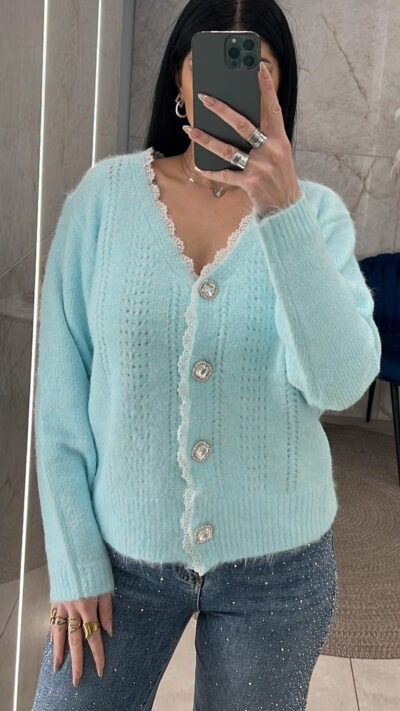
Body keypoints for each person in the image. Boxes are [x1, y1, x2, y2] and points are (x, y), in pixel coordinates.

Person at [31, 0, 381, 709]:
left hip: (278, 571)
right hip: (121, 558)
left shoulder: (314, 215)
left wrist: (281, 211)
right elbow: (62, 389)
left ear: (280, 87)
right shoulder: (103, 201)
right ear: (179, 78)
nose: (233, 84)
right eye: (213, 61)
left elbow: (340, 382)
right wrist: (71, 558)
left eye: (258, 67)